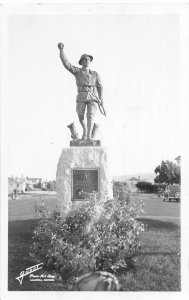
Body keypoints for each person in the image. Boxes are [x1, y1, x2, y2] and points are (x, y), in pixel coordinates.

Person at [58, 43, 103, 140]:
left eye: (89, 59)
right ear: (81, 62)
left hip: (92, 96)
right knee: (80, 115)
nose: (87, 60)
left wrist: (101, 98)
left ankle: (89, 137)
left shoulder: (95, 74)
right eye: (85, 59)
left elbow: (100, 86)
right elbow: (67, 64)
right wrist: (61, 51)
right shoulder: (77, 71)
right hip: (81, 95)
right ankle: (86, 132)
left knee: (90, 116)